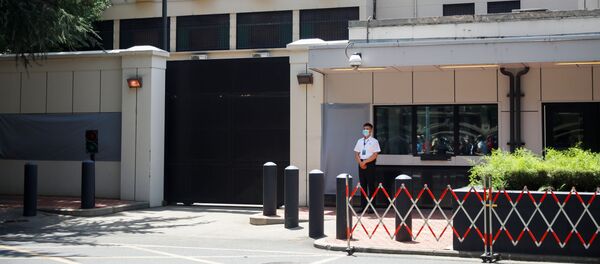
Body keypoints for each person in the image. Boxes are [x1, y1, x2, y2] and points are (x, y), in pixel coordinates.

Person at [354, 122, 381, 213]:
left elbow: (375, 155)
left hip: (370, 164)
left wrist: (365, 162)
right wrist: (361, 163)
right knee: (362, 185)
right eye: (364, 129)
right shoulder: (359, 141)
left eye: (368, 129)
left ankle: (371, 207)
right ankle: (363, 206)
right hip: (361, 164)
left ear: (371, 130)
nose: (366, 130)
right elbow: (356, 154)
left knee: (371, 185)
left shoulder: (374, 141)